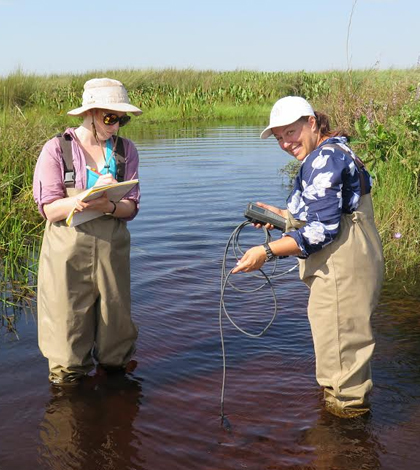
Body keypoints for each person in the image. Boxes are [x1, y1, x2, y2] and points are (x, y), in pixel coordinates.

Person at [233, 96, 384, 418]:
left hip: (342, 265)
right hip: (349, 259)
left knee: (342, 361)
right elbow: (331, 211)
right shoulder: (335, 151)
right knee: (340, 349)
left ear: (312, 123)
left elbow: (321, 232)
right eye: (279, 137)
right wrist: (285, 216)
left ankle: (347, 436)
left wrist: (265, 251)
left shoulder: (323, 159)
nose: (286, 143)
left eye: (291, 132)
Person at [33, 78, 142, 386]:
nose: (117, 126)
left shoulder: (126, 151)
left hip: (112, 249)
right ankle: (69, 401)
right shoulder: (56, 149)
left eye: (122, 119)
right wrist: (79, 201)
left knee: (115, 324)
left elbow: (131, 207)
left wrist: (107, 206)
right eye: (110, 118)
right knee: (67, 328)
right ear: (90, 113)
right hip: (67, 251)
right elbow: (50, 209)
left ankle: (115, 389)